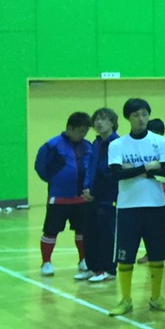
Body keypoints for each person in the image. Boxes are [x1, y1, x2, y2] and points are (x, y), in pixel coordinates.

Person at [107, 98, 165, 316]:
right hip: (128, 208)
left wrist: (134, 170)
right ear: (128, 117)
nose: (141, 119)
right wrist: (148, 167)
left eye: (144, 114)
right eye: (136, 115)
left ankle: (156, 297)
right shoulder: (117, 145)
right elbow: (117, 173)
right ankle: (125, 299)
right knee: (125, 256)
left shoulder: (161, 142)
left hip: (156, 205)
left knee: (157, 254)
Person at [34, 111, 95, 277]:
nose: (83, 135)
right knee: (51, 231)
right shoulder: (52, 146)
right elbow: (40, 167)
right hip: (59, 198)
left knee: (82, 230)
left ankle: (83, 260)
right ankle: (46, 262)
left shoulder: (87, 146)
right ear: (69, 128)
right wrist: (56, 181)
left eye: (85, 132)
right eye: (80, 131)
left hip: (81, 198)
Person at [79, 108, 120, 283]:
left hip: (107, 198)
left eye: (103, 119)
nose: (99, 123)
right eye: (96, 119)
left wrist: (95, 192)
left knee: (107, 235)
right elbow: (90, 168)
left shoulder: (117, 144)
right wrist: (86, 188)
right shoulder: (95, 143)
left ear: (112, 122)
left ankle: (107, 269)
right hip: (91, 197)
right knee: (90, 233)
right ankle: (93, 267)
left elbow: (110, 173)